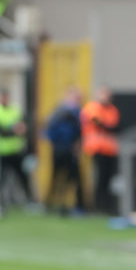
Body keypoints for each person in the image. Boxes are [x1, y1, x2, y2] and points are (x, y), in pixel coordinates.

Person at [0, 90, 30, 210]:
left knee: (23, 177)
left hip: (15, 150)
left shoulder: (15, 109)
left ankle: (29, 202)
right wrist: (14, 130)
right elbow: (0, 131)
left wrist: (15, 130)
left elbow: (24, 126)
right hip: (0, 151)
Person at [44, 87, 84, 215]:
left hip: (71, 150)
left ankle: (77, 206)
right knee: (57, 178)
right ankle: (51, 204)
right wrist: (57, 144)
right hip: (60, 149)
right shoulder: (59, 111)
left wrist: (77, 145)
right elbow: (49, 131)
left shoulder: (79, 112)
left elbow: (81, 132)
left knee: (75, 178)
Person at [80, 86, 120, 215]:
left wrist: (106, 126)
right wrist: (106, 126)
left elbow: (114, 126)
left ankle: (107, 206)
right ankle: (96, 206)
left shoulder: (113, 110)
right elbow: (96, 122)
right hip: (96, 148)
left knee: (108, 179)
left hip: (110, 150)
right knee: (99, 178)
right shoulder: (92, 107)